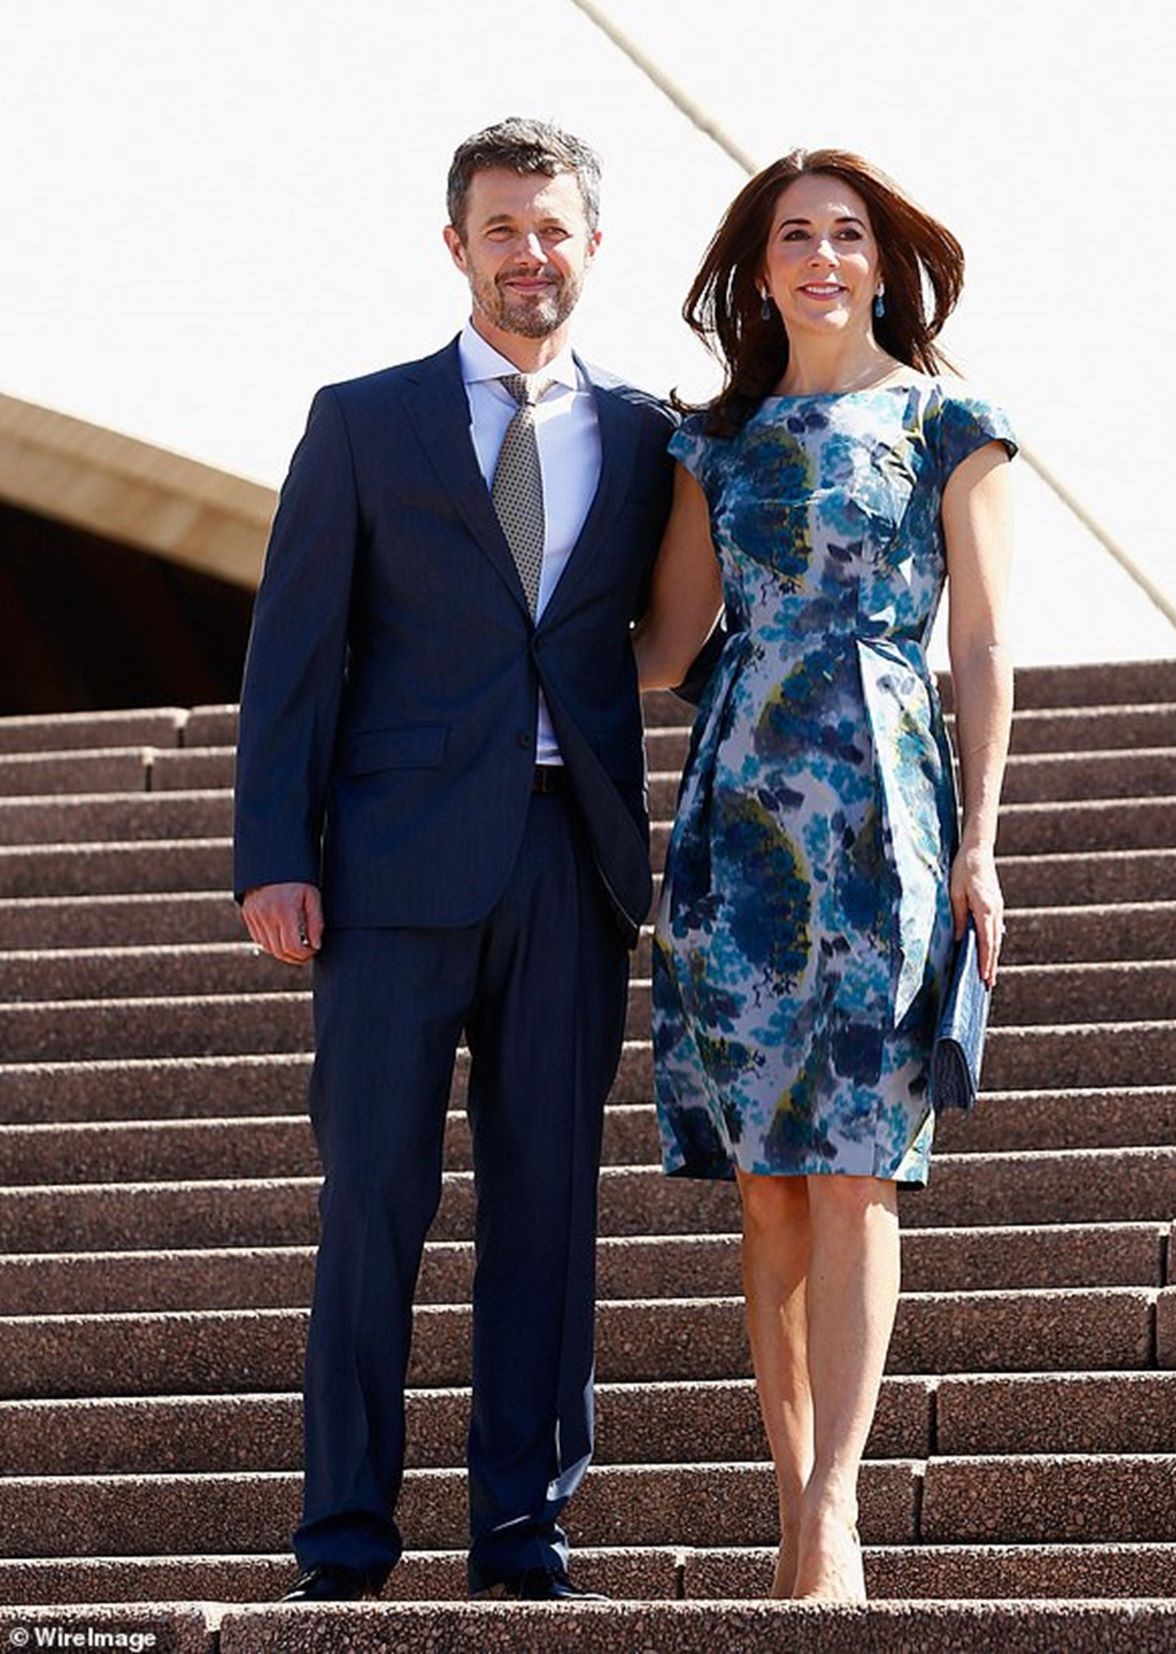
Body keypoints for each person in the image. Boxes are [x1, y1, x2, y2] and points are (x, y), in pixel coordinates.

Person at [233, 117, 675, 1603]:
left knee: (548, 1211)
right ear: (457, 246)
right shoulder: (363, 420)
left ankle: (522, 1539)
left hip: (570, 863)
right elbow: (293, 652)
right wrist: (271, 854)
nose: (529, 254)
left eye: (554, 229)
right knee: (373, 1201)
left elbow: (672, 632)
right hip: (392, 870)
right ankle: (343, 1541)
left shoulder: (652, 431)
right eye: (502, 229)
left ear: (591, 247)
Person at [633, 149, 1016, 1603]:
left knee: (858, 1168)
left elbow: (979, 645)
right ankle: (791, 1500)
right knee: (769, 1186)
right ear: (756, 267)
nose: (821, 255)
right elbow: (665, 648)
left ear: (880, 259)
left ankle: (836, 1511)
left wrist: (979, 839)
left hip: (887, 810)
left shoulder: (944, 417)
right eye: (793, 234)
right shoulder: (716, 439)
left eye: (846, 233)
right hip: (738, 818)